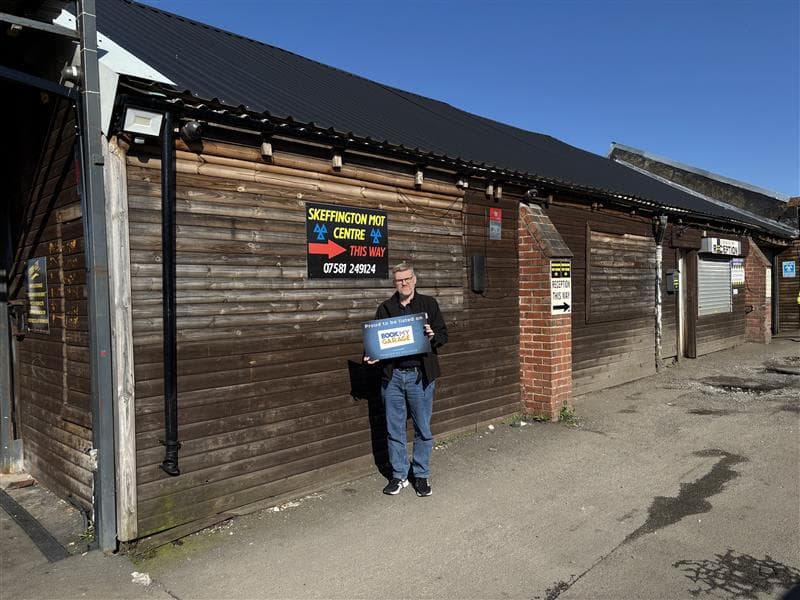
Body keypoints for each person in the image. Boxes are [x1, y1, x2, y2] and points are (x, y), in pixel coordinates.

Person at [364, 262, 448, 497]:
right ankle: (399, 475)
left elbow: (443, 335)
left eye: (408, 278)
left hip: (420, 377)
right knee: (394, 429)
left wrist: (433, 336)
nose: (404, 283)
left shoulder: (428, 304)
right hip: (393, 377)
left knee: (422, 428)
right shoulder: (385, 308)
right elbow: (376, 343)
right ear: (395, 283)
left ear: (415, 279)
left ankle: (420, 475)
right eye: (400, 280)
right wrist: (370, 356)